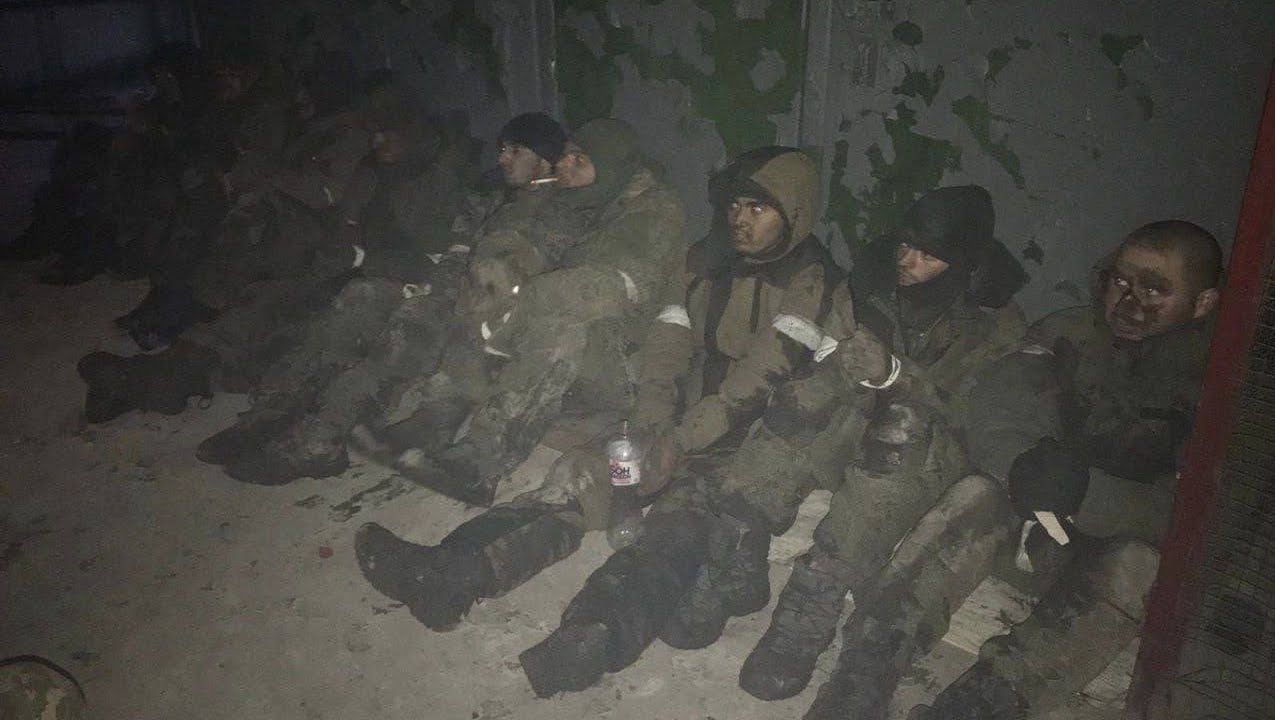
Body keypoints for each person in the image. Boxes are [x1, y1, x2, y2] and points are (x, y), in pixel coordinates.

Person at [354, 146, 880, 698]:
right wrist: (651, 420)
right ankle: (451, 575)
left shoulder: (814, 281)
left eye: (759, 209)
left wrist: (679, 441)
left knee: (676, 527)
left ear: (793, 213)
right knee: (580, 476)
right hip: (681, 415)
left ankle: (594, 638)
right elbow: (668, 340)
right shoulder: (705, 259)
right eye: (735, 206)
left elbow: (762, 378)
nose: (740, 220)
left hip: (751, 438)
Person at [806, 220, 1221, 719]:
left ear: (1202, 303)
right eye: (1120, 282)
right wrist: (1024, 464)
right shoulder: (1067, 332)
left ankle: (982, 705)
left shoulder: (1224, 387)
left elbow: (1201, 521)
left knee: (1139, 566)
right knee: (976, 494)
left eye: (1154, 291)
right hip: (1026, 522)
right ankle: (862, 674)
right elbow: (995, 409)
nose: (1128, 303)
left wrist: (1087, 492)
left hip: (1102, 559)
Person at [732, 186, 1029, 701]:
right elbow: (827, 358)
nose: (907, 263)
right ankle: (738, 550)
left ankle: (807, 612)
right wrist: (838, 368)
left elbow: (975, 417)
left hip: (924, 458)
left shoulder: (998, 322)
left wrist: (896, 376)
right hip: (854, 426)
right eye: (905, 246)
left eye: (928, 256)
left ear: (965, 263)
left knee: (902, 427)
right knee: (799, 399)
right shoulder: (869, 285)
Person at [192, 112, 570, 484]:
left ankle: (323, 439)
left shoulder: (560, 205)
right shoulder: (491, 194)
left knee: (409, 330)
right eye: (502, 149)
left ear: (543, 158)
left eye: (515, 150)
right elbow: (457, 249)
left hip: (488, 310)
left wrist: (440, 292)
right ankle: (274, 411)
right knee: (361, 296)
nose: (502, 158)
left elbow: (526, 276)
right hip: (449, 285)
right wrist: (429, 280)